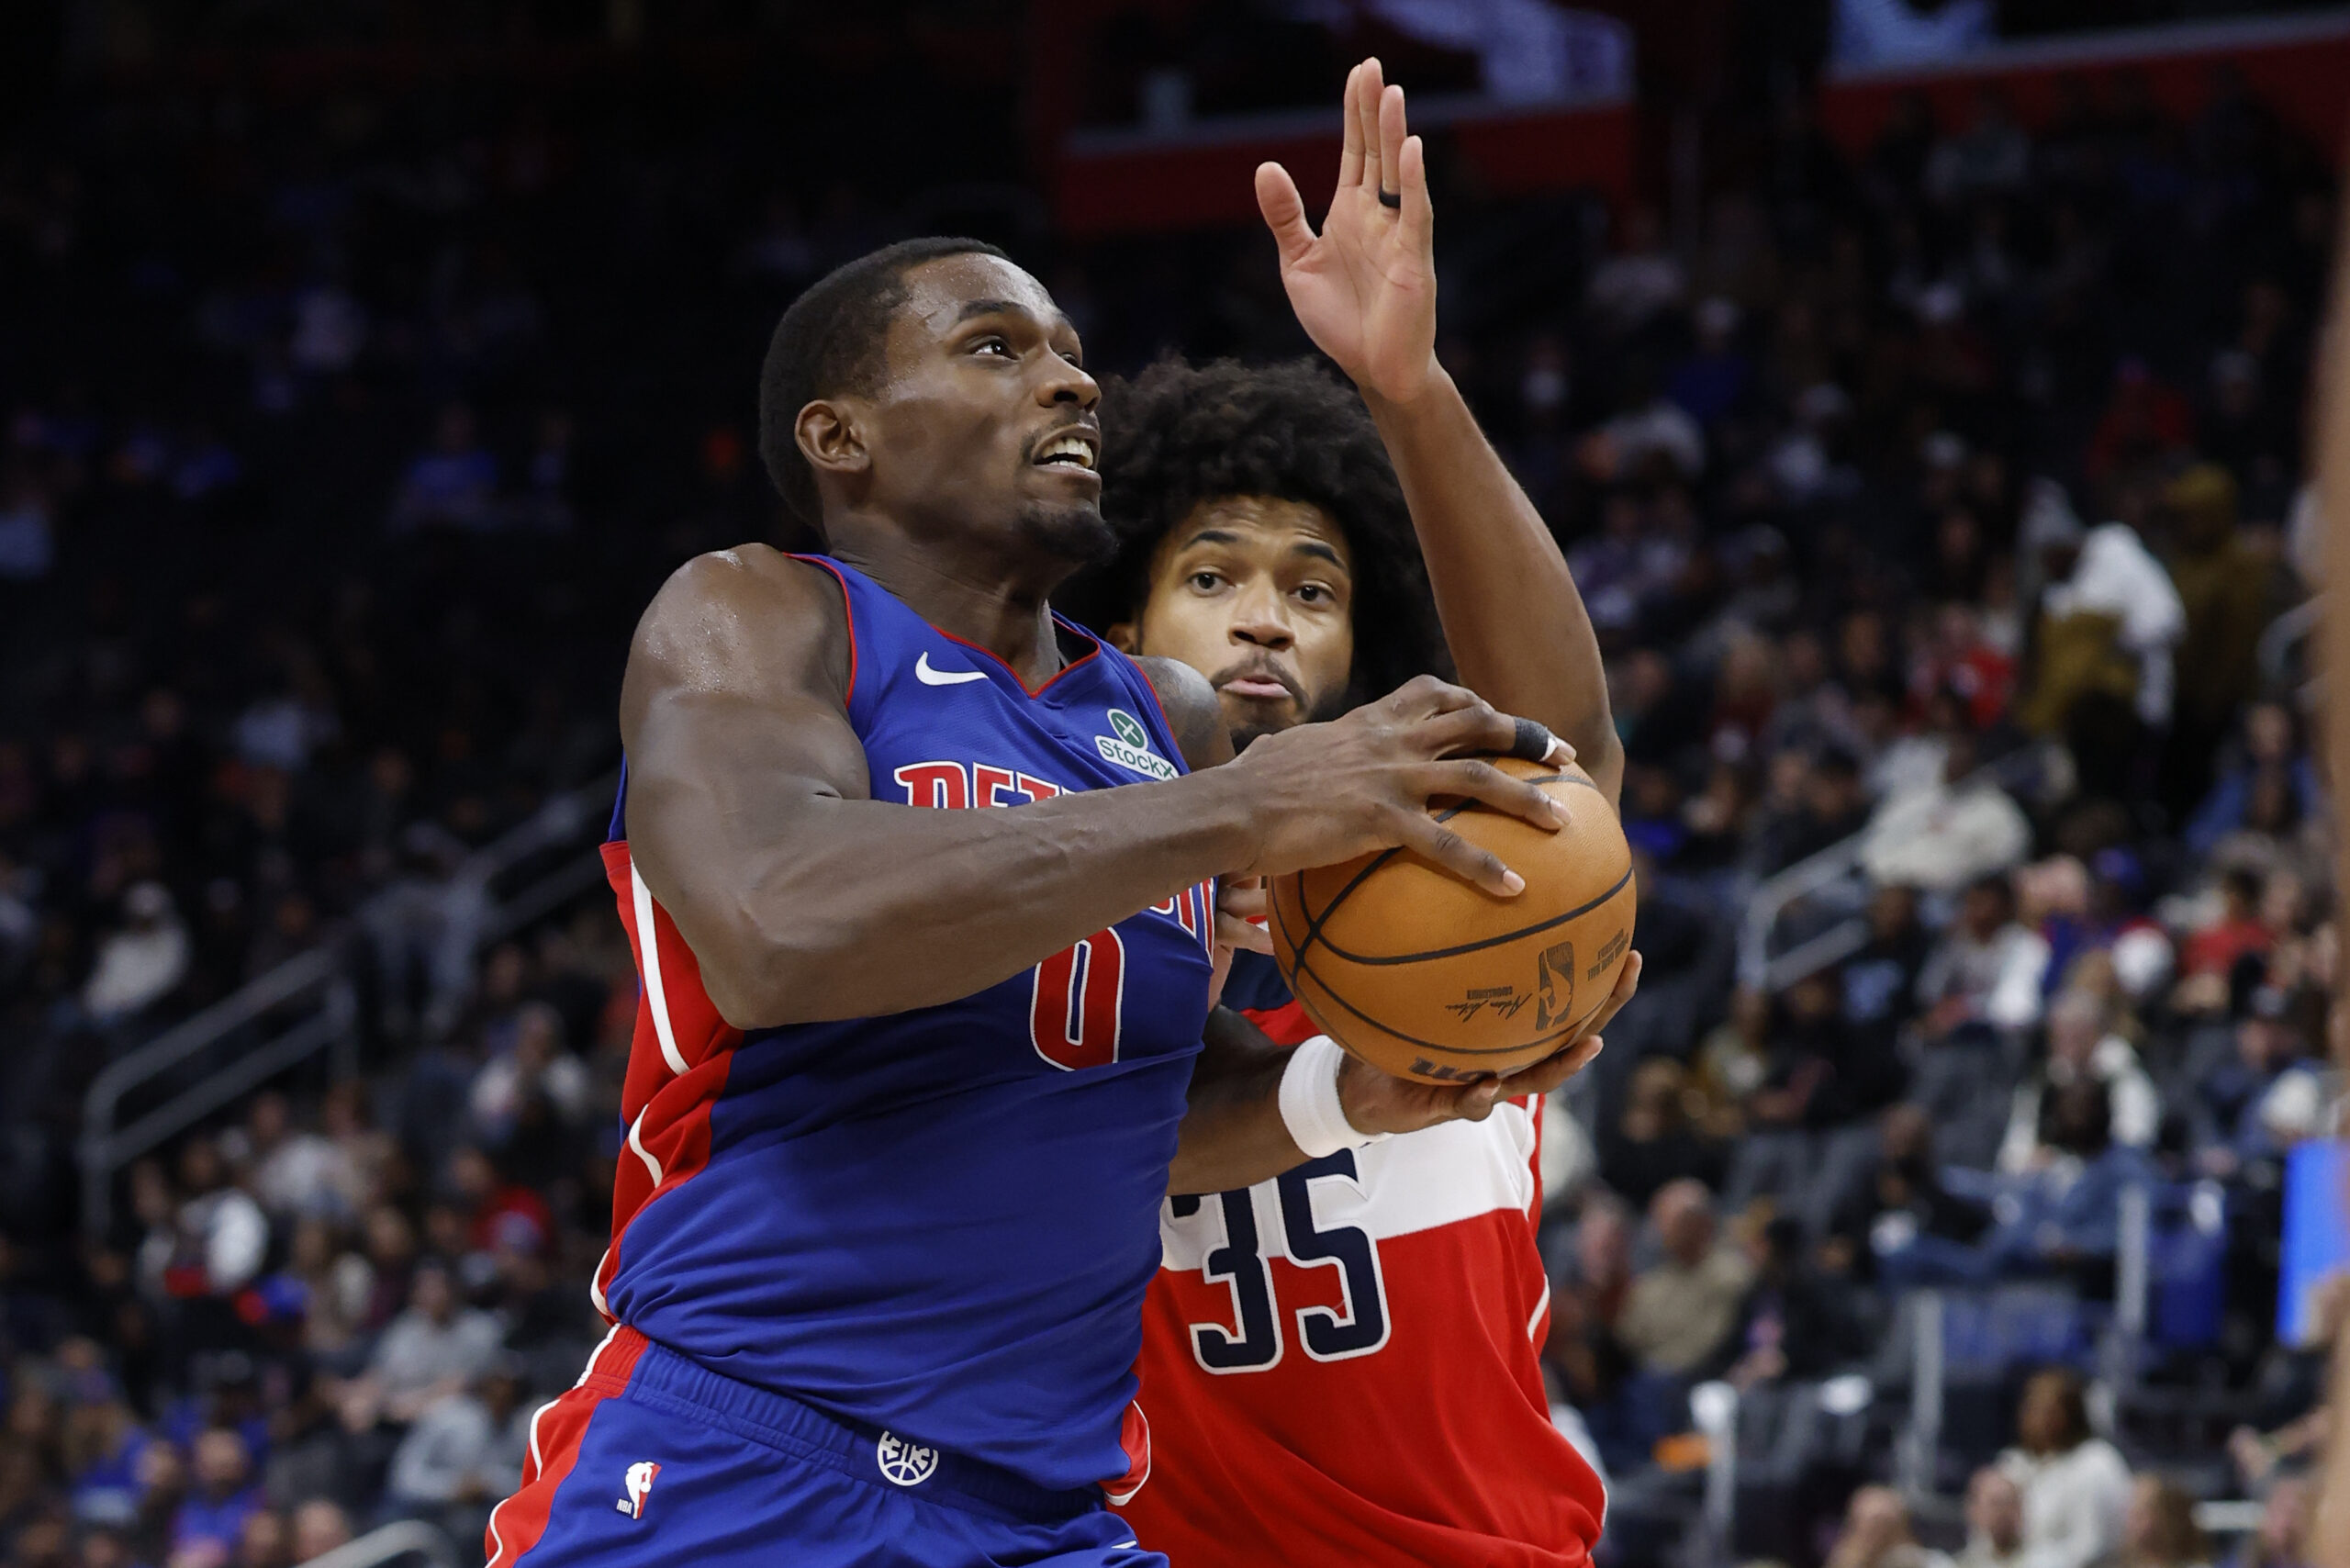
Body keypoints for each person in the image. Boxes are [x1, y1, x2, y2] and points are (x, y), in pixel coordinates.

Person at [485, 124, 1627, 1568]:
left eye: (1073, 354)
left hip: (1042, 1517)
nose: (1071, 379)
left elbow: (1144, 1097)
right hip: (751, 1463)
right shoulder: (762, 615)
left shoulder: (1161, 721)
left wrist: (1352, 1089)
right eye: (994, 348)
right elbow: (778, 926)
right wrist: (1240, 812)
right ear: (840, 437)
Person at [1058, 61, 1637, 1567]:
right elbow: (1069, 1130)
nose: (1265, 618)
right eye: (1213, 576)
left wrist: (1410, 392)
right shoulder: (1049, 900)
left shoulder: (1438, 868)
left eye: (1312, 590)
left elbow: (1571, 754)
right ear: (1117, 630)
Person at [1997, 1368, 2133, 1568]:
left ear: (2070, 1413)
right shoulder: (2015, 1463)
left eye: (2045, 1409)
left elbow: (2092, 1548)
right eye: (2029, 1406)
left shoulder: (2096, 1463)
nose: (2030, 1416)